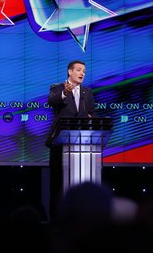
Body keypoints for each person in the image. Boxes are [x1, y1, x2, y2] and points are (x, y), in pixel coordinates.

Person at [45, 60, 96, 218]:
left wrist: (91, 117)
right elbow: (51, 101)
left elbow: (92, 113)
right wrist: (65, 93)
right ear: (70, 72)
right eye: (79, 70)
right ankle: (56, 218)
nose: (82, 73)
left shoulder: (87, 92)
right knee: (58, 182)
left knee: (79, 182)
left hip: (81, 144)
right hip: (60, 144)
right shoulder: (58, 88)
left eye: (84, 71)